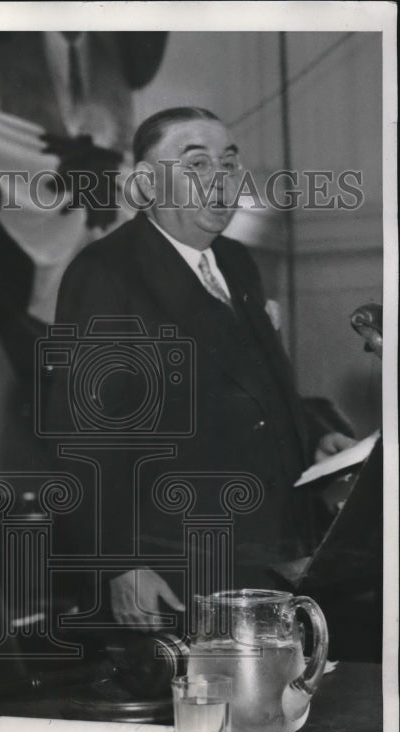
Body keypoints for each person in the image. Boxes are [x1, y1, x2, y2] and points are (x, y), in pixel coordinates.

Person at [49, 107, 354, 627]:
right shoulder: (106, 272)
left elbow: (252, 391)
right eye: (196, 165)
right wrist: (120, 564)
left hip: (269, 550)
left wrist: (315, 435)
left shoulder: (236, 262)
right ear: (146, 184)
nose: (221, 181)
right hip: (173, 566)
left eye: (229, 164)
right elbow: (84, 434)